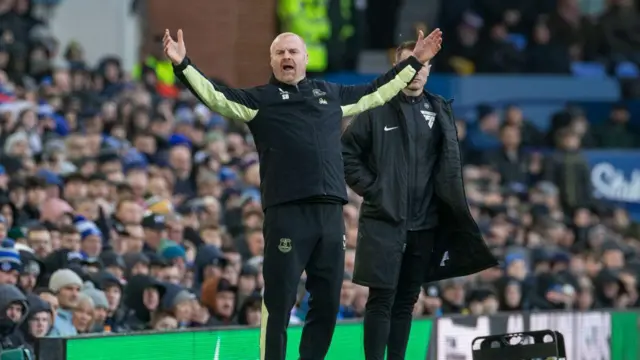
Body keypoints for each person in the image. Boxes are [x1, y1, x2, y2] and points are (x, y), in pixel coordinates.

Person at [163, 28, 442, 360]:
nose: (287, 58)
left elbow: (378, 91)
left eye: (293, 52)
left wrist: (413, 62)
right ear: (271, 60)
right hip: (287, 215)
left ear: (306, 59)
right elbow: (214, 95)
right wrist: (183, 65)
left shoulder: (330, 94)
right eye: (280, 53)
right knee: (279, 302)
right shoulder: (259, 100)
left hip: (329, 216)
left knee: (326, 304)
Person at [341, 40, 498, 360]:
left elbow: (448, 166)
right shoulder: (374, 108)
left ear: (429, 69)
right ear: (395, 70)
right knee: (381, 299)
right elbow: (345, 154)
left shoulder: (439, 109)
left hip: (425, 222)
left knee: (407, 300)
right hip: (384, 219)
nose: (414, 71)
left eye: (421, 64)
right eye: (406, 65)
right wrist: (375, 190)